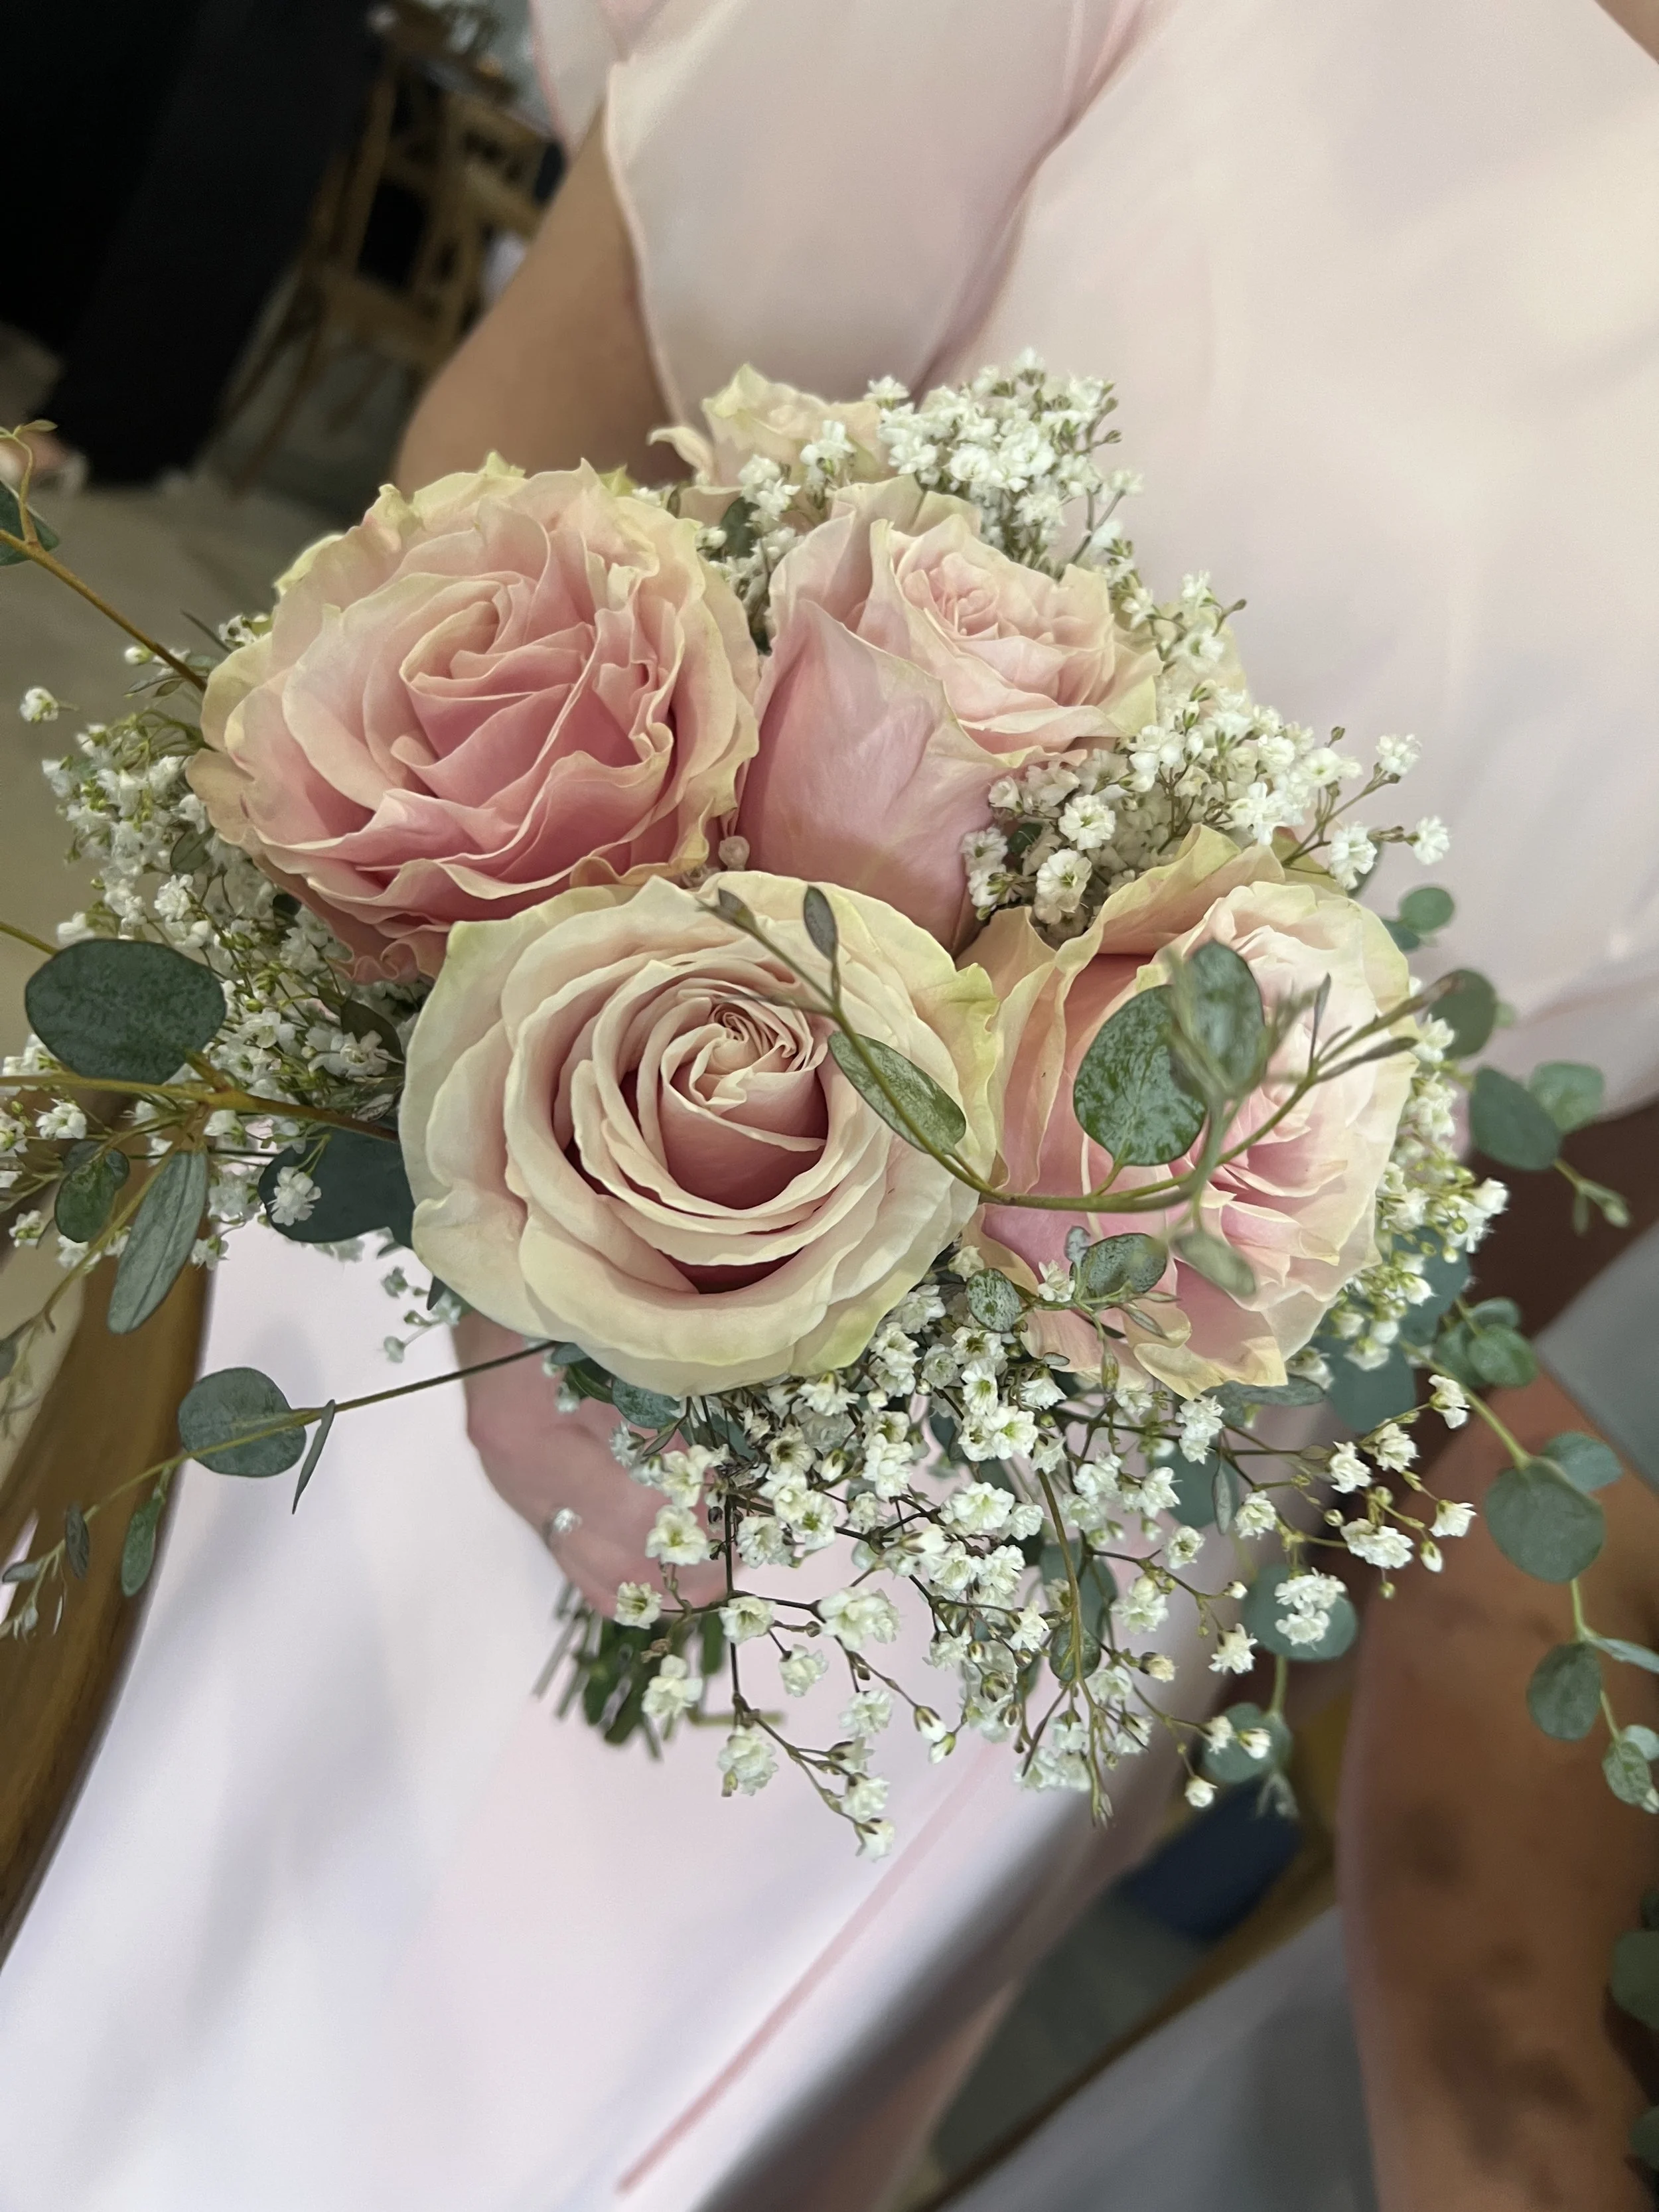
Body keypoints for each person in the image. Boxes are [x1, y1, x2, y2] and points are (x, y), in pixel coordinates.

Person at [0, 7, 1656, 2212]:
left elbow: (1540, 1238)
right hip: (531, 1213)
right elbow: (564, 418)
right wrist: (515, 1164)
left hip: (1032, 1603)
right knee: (156, 1991)